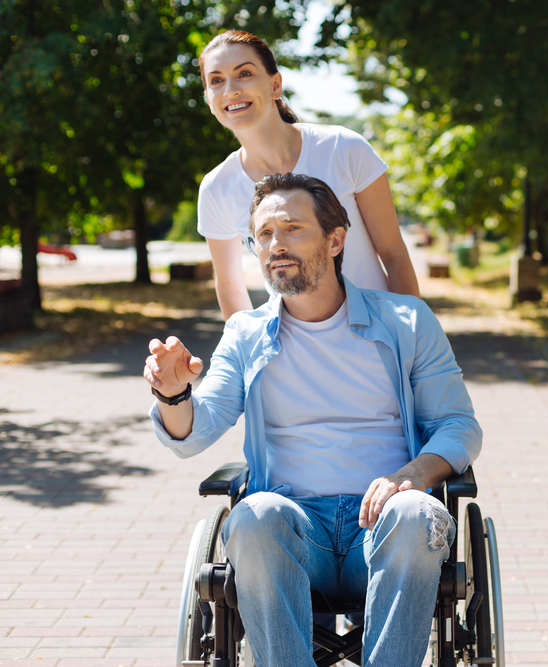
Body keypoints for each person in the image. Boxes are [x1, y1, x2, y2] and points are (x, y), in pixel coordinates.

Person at [144, 173, 481, 666]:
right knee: (253, 516)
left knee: (418, 514)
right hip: (294, 533)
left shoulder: (407, 322)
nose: (275, 244)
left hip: (386, 531)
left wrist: (411, 477)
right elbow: (197, 430)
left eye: (292, 228)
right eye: (262, 234)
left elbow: (458, 424)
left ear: (335, 239)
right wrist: (173, 395)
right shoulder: (245, 334)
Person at [197, 30, 419, 320]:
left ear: (275, 85)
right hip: (294, 355)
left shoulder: (344, 148)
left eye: (245, 74)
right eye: (216, 80)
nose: (230, 89)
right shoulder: (217, 188)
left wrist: (409, 341)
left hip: (376, 342)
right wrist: (248, 358)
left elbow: (394, 255)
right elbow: (229, 286)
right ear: (208, 98)